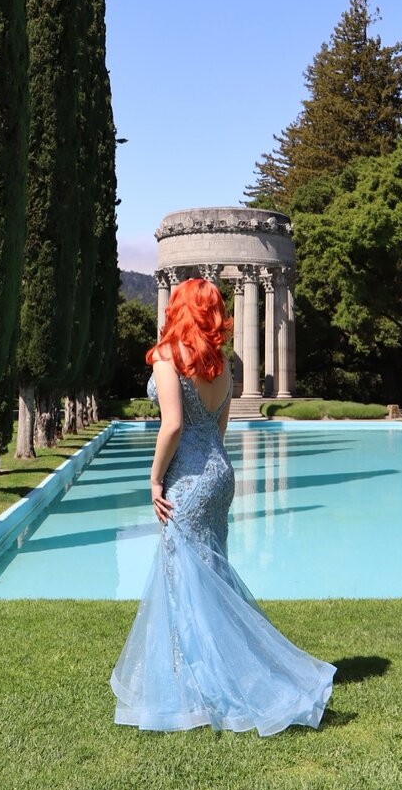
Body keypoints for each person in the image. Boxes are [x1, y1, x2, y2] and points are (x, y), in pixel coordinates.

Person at [110, 277, 336, 736]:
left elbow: (173, 425)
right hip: (220, 472)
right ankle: (209, 674)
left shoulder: (168, 357)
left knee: (183, 576)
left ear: (178, 309)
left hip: (187, 477)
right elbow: (219, 428)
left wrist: (155, 478)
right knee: (211, 571)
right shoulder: (223, 364)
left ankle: (199, 686)